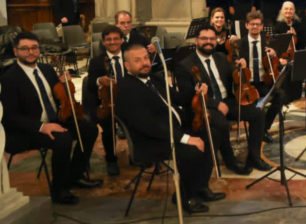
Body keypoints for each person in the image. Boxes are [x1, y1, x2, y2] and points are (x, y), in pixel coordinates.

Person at [117, 44, 222, 214]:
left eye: (146, 58)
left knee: (214, 134)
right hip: (153, 140)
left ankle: (200, 186)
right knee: (192, 151)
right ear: (127, 66)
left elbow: (178, 98)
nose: (144, 63)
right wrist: (186, 138)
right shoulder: (126, 89)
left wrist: (196, 92)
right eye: (137, 60)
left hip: (173, 128)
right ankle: (184, 196)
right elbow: (150, 126)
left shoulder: (153, 78)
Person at [1, 32, 102, 205]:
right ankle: (59, 190)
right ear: (16, 52)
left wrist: (64, 86)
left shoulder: (47, 69)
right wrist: (42, 127)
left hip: (55, 119)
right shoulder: (8, 79)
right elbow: (9, 117)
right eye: (24, 49)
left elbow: (57, 98)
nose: (30, 52)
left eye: (34, 48)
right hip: (27, 130)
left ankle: (75, 176)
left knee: (89, 129)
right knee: (62, 139)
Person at [174, 25, 271, 174]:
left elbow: (235, 75)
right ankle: (230, 161)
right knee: (221, 123)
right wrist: (215, 103)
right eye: (204, 38)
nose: (209, 42)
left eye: (212, 39)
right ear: (196, 40)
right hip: (204, 106)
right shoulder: (185, 65)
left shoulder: (220, 57)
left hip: (227, 101)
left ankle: (254, 157)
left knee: (258, 112)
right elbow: (186, 97)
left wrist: (242, 70)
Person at [84, 25, 127, 176]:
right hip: (106, 103)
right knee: (108, 125)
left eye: (116, 39)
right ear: (103, 42)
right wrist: (98, 80)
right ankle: (111, 159)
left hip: (127, 101)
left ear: (122, 40)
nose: (112, 42)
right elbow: (90, 85)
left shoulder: (129, 57)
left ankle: (138, 154)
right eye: (108, 39)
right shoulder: (96, 61)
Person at [241, 10, 288, 141]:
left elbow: (277, 63)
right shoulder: (241, 44)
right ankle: (258, 130)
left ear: (262, 26)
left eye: (257, 24)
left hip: (264, 81)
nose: (254, 27)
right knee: (254, 107)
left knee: (281, 96)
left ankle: (264, 128)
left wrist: (275, 55)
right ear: (247, 26)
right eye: (252, 24)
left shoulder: (269, 42)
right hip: (247, 83)